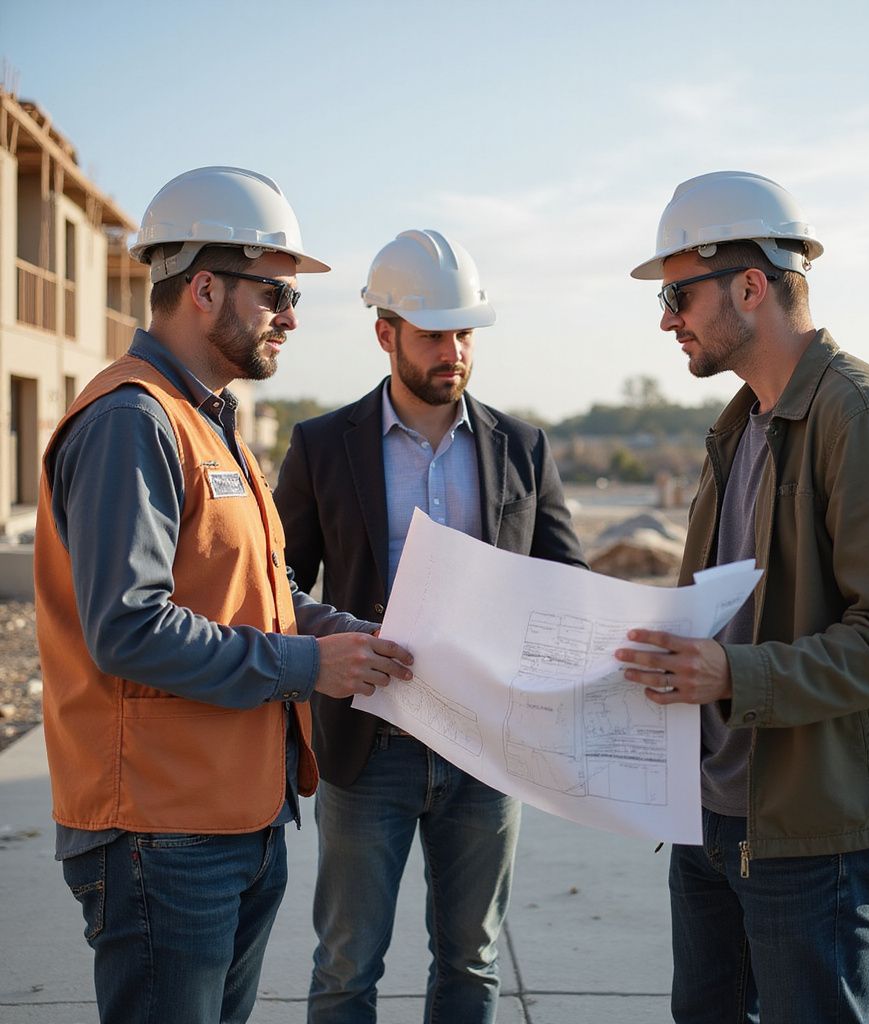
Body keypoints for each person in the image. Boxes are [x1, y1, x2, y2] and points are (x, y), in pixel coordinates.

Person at [614, 171, 869, 1024]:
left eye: (678, 295)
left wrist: (731, 674)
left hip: (813, 834)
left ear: (752, 285)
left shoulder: (867, 419)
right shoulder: (740, 427)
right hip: (713, 814)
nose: (665, 320)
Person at [34, 165, 414, 1024]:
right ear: (204, 288)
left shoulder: (206, 421)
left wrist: (363, 637)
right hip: (159, 832)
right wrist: (309, 664)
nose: (291, 316)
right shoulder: (133, 421)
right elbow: (128, 629)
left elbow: (260, 597)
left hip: (233, 815)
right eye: (276, 291)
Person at [273, 228, 587, 1024]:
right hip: (365, 746)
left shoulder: (522, 446)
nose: (454, 349)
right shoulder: (318, 446)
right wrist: (337, 638)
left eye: (464, 332)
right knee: (347, 966)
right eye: (434, 333)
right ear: (386, 333)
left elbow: (566, 583)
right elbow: (274, 581)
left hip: (487, 750)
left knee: (472, 964)